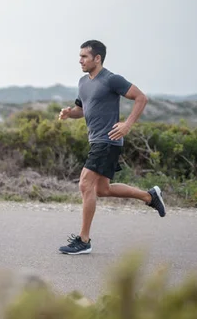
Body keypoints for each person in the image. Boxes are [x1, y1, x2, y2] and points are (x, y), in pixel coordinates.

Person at [57, 40, 166, 255]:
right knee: (102, 190)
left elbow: (141, 98)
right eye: (80, 56)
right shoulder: (83, 82)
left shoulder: (111, 79)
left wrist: (127, 124)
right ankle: (149, 196)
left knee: (85, 184)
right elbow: (82, 110)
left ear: (97, 58)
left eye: (84, 57)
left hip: (108, 141)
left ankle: (84, 240)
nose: (80, 60)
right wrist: (70, 114)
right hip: (96, 140)